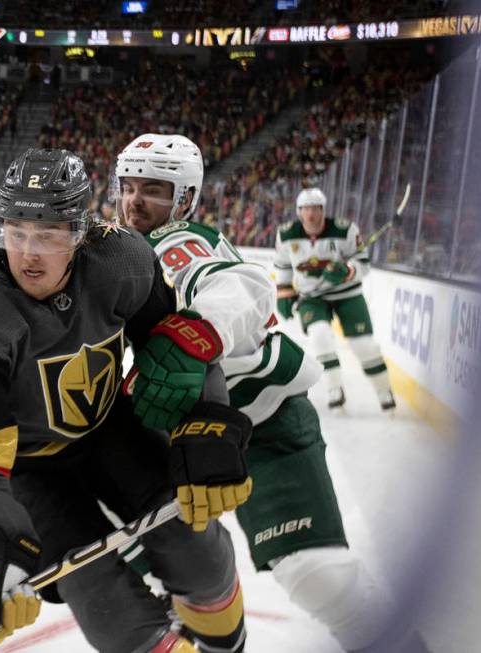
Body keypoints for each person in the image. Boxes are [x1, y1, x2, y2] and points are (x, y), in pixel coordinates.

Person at [0, 148, 252, 653]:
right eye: (16, 233)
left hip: (110, 430)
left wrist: (206, 419)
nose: (29, 254)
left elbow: (177, 348)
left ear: (80, 233)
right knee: (109, 612)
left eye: (49, 234)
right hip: (30, 469)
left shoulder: (123, 260)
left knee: (201, 555)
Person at [117, 133, 411, 652]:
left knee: (319, 574)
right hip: (166, 438)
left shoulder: (178, 242)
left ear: (184, 199)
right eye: (128, 186)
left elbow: (237, 285)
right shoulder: (117, 254)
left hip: (260, 418)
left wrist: (197, 332)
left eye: (154, 190)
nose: (136, 200)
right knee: (159, 565)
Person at [273, 187, 395, 411]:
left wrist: (346, 270)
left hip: (347, 294)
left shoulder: (345, 230)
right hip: (312, 297)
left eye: (315, 209)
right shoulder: (286, 234)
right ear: (299, 212)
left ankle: (384, 391)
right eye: (306, 209)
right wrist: (284, 292)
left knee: (364, 346)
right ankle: (334, 389)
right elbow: (282, 267)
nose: (310, 214)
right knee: (320, 336)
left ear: (323, 210)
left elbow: (363, 265)